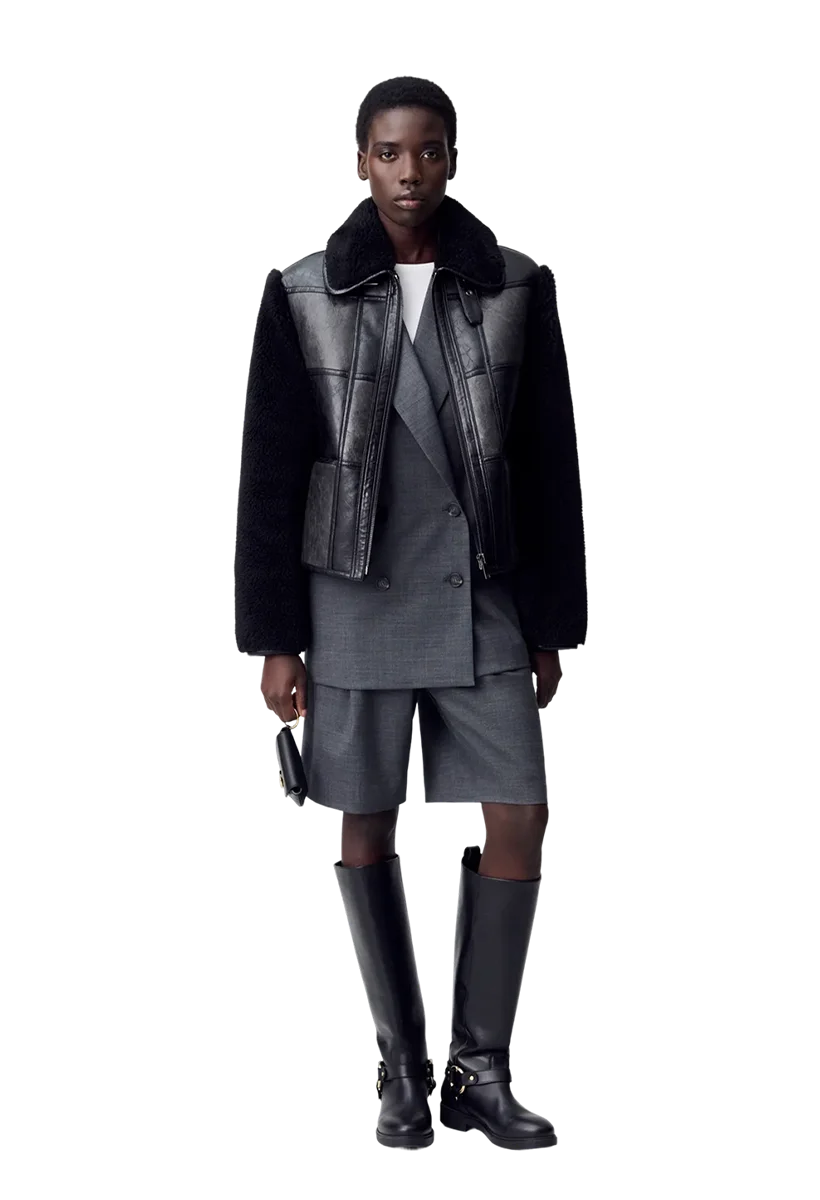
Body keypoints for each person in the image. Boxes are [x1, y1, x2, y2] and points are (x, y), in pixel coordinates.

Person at [233, 75, 587, 1150]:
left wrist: (550, 624)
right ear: (359, 162)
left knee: (518, 807)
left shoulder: (515, 285)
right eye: (387, 153)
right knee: (364, 818)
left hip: (480, 589)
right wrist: (274, 638)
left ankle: (480, 1066)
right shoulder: (303, 291)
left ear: (450, 160)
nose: (408, 172)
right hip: (354, 596)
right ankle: (399, 1069)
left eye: (427, 151)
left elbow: (550, 465)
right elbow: (271, 473)